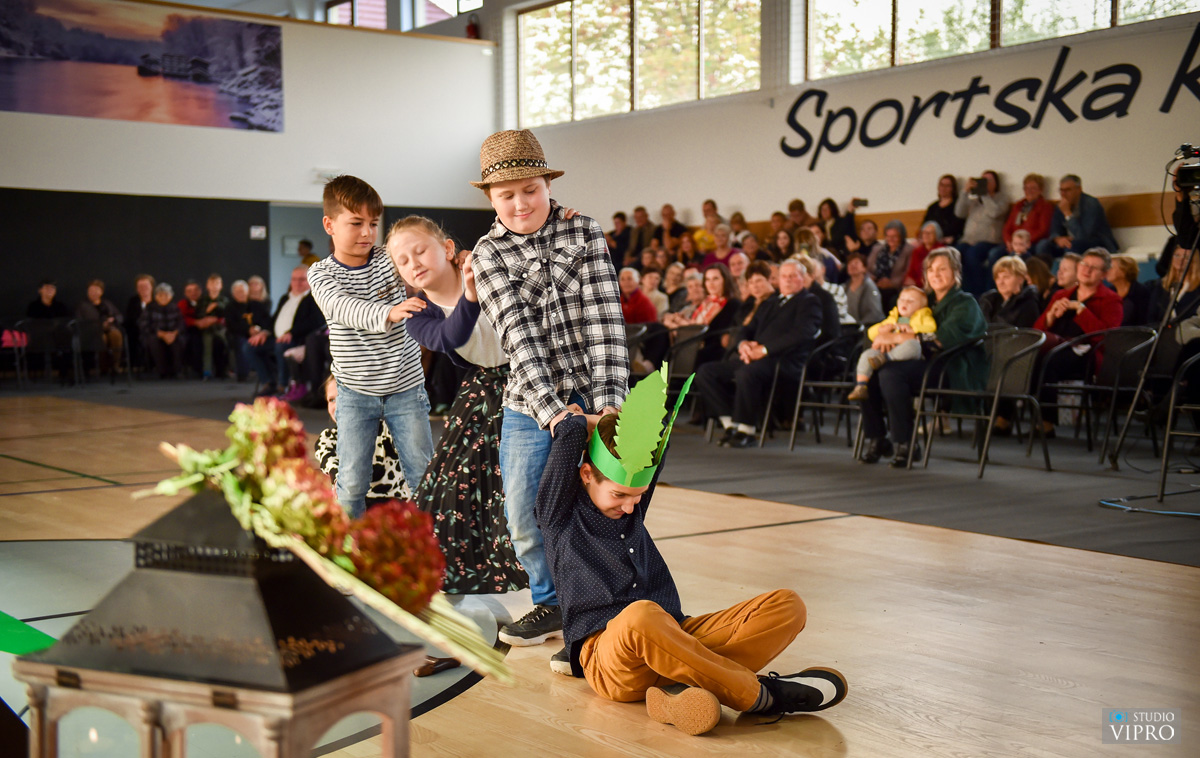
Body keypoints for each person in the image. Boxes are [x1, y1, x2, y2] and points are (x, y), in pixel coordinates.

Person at [537, 380, 847, 735]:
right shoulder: (559, 515)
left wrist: (624, 423)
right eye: (620, 495)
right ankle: (759, 695)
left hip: (674, 633)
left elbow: (661, 435)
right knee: (641, 615)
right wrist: (591, 422)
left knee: (787, 606)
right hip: (611, 657)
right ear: (587, 474)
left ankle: (679, 689)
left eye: (637, 496)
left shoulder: (631, 508)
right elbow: (569, 432)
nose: (630, 506)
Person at [469, 130, 628, 652]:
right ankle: (553, 600)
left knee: (603, 505)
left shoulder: (584, 232)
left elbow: (605, 320)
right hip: (528, 403)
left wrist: (608, 405)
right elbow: (519, 339)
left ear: (546, 184)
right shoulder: (488, 254)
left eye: (529, 190)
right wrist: (553, 412)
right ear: (491, 200)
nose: (520, 203)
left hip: (594, 391)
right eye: (506, 195)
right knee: (525, 508)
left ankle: (608, 601)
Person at [386, 215, 528, 597]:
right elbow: (452, 335)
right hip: (484, 389)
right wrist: (469, 295)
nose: (413, 263)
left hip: (530, 380)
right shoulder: (418, 313)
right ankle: (446, 569)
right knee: (446, 482)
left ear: (447, 249)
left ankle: (530, 565)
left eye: (420, 251)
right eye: (402, 260)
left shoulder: (486, 267)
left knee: (517, 483)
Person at [307, 175, 434, 521]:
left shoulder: (389, 258)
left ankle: (434, 553)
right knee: (350, 483)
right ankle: (352, 556)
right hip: (355, 392)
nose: (367, 232)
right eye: (356, 223)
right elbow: (342, 308)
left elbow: (424, 264)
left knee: (424, 477)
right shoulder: (320, 274)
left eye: (373, 224)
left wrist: (449, 256)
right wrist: (389, 312)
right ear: (329, 225)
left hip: (405, 387)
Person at [857, 248, 987, 467]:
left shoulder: (965, 303)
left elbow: (941, 338)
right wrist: (889, 336)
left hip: (953, 367)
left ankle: (905, 444)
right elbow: (891, 323)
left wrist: (899, 337)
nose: (935, 274)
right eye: (931, 269)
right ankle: (877, 438)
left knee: (891, 374)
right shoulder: (920, 300)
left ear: (955, 272)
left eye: (942, 269)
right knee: (869, 369)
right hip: (921, 362)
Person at [694, 259, 823, 448]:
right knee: (706, 372)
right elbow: (747, 328)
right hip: (755, 358)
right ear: (777, 279)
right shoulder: (771, 302)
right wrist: (743, 345)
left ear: (802, 279)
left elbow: (802, 333)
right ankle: (731, 424)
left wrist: (763, 350)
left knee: (747, 372)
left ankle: (746, 430)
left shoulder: (809, 302)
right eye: (783, 276)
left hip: (785, 361)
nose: (787, 280)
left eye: (792, 276)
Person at [1033, 248, 1123, 437]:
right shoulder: (1060, 295)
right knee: (1027, 360)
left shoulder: (1111, 299)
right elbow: (1037, 332)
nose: (1086, 270)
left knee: (1047, 363)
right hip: (1057, 347)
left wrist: (1082, 312)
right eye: (1084, 264)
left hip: (1087, 354)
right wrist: (1050, 317)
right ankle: (1004, 419)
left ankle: (1046, 423)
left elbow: (1107, 339)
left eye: (1094, 267)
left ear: (1104, 275)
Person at [848, 287, 936, 401]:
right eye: (902, 299)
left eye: (910, 301)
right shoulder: (893, 318)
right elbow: (871, 333)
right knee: (867, 354)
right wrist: (882, 330)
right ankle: (861, 386)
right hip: (887, 350)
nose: (905, 303)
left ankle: (884, 358)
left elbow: (931, 327)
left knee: (913, 345)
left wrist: (914, 329)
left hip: (907, 355)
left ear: (921, 307)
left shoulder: (924, 317)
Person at [1034, 174, 1119, 260]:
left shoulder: (1091, 204)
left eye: (1067, 190)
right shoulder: (1061, 205)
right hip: (1070, 242)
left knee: (1072, 245)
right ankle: (1045, 273)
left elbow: (1084, 236)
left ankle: (1070, 272)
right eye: (1061, 190)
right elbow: (1054, 230)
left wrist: (1067, 214)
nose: (1063, 194)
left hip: (1096, 243)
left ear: (1079, 189)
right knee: (1043, 245)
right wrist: (1058, 239)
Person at [956, 170, 1008, 295]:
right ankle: (963, 292)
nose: (986, 183)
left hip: (990, 241)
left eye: (989, 180)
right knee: (956, 254)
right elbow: (959, 213)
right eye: (983, 180)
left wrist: (984, 194)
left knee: (972, 255)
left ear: (996, 183)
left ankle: (979, 293)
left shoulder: (1002, 198)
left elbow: (994, 212)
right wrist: (965, 192)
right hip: (968, 240)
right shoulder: (974, 199)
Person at [992, 173, 1054, 268]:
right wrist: (1011, 242)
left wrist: (1023, 242)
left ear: (1040, 190)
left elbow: (1043, 230)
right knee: (994, 253)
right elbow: (1007, 228)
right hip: (1014, 243)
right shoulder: (1018, 206)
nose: (1029, 191)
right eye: (1026, 188)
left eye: (1033, 188)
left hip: (1031, 243)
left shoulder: (1045, 206)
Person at [224, 279, 272, 382]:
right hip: (239, 334)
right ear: (233, 294)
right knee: (242, 342)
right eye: (237, 292)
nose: (240, 294)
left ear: (247, 291)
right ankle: (242, 374)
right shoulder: (230, 307)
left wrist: (258, 329)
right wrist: (248, 330)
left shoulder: (257, 305)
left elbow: (267, 320)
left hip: (259, 333)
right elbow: (231, 325)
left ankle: (268, 375)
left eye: (242, 291)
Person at [75, 279, 124, 375]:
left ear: (101, 291)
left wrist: (113, 319)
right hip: (93, 332)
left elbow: (119, 316)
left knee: (116, 335)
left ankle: (115, 365)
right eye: (91, 290)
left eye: (96, 290)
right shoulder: (82, 306)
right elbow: (80, 322)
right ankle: (103, 367)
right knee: (102, 339)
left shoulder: (107, 304)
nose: (93, 293)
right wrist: (98, 325)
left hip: (110, 328)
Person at [979, 256, 1042, 328]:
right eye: (997, 277)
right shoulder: (989, 301)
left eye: (1006, 277)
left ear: (1020, 279)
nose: (1000, 282)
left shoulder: (1029, 304)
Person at [139, 282, 184, 379]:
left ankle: (176, 371)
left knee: (179, 342)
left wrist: (173, 333)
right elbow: (144, 325)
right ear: (156, 296)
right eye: (160, 295)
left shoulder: (175, 308)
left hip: (172, 334)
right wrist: (161, 334)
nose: (163, 297)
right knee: (154, 342)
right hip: (155, 334)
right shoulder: (150, 308)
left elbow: (181, 324)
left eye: (166, 294)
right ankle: (162, 371)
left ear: (171, 296)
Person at [866, 220, 913, 309]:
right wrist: (872, 280)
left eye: (894, 236)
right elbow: (867, 269)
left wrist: (892, 283)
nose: (890, 239)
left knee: (887, 296)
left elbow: (908, 272)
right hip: (875, 284)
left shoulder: (909, 250)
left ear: (901, 236)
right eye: (888, 236)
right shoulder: (877, 249)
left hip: (896, 288)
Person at [195, 273, 229, 380]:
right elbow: (199, 314)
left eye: (217, 283)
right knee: (207, 346)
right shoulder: (202, 300)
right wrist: (207, 311)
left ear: (221, 286)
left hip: (221, 329)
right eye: (212, 283)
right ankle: (207, 371)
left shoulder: (224, 300)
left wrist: (216, 307)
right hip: (207, 329)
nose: (214, 286)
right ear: (207, 286)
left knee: (226, 344)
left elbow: (226, 313)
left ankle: (227, 369)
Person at [1108, 255, 1151, 326]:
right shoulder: (1109, 291)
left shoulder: (1140, 291)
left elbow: (1144, 321)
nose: (1107, 270)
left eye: (1111, 267)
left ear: (1124, 270)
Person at [124, 274, 155, 370]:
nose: (143, 289)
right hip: (136, 331)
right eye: (140, 287)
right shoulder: (133, 301)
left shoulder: (158, 301)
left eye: (145, 286)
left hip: (155, 330)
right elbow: (130, 319)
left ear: (152, 287)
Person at [923, 174, 964, 245]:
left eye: (947, 186)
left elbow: (956, 227)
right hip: (931, 239)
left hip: (948, 239)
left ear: (953, 188)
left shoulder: (957, 205)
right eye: (941, 185)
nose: (943, 188)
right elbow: (925, 225)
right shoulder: (932, 207)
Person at [844, 253, 884, 325]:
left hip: (867, 327)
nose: (852, 265)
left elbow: (875, 313)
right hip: (850, 326)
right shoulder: (845, 287)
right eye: (849, 263)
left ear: (864, 268)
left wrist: (859, 325)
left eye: (856, 263)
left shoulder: (870, 286)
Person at [733, 261, 775, 327]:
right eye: (751, 282)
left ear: (769, 279)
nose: (755, 286)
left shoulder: (776, 301)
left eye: (758, 281)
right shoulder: (750, 301)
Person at [904, 221, 942, 288]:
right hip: (917, 286)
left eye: (930, 233)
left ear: (936, 235)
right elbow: (911, 272)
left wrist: (916, 282)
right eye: (924, 233)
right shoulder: (917, 251)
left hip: (934, 287)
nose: (926, 235)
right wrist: (909, 279)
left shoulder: (941, 251)